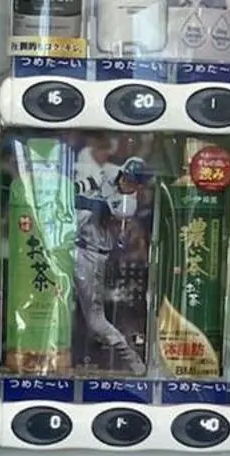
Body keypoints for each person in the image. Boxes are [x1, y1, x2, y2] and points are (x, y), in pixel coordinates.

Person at [71, 143, 154, 374]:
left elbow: (94, 205)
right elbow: (88, 184)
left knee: (95, 321)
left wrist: (71, 196)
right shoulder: (110, 171)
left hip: (92, 257)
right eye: (126, 177)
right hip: (70, 244)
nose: (127, 183)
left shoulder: (129, 204)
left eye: (133, 182)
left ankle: (132, 360)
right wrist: (71, 187)